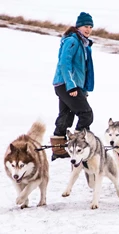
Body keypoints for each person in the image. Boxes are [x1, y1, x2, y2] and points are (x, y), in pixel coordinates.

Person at [50, 12, 95, 161]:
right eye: (85, 26)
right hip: (66, 84)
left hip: (66, 84)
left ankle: (58, 148)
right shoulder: (73, 41)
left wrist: (81, 89)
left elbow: (81, 70)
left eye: (90, 27)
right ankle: (79, 144)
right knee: (86, 113)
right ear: (78, 26)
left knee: (66, 115)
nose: (88, 29)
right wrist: (72, 86)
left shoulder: (81, 42)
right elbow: (64, 63)